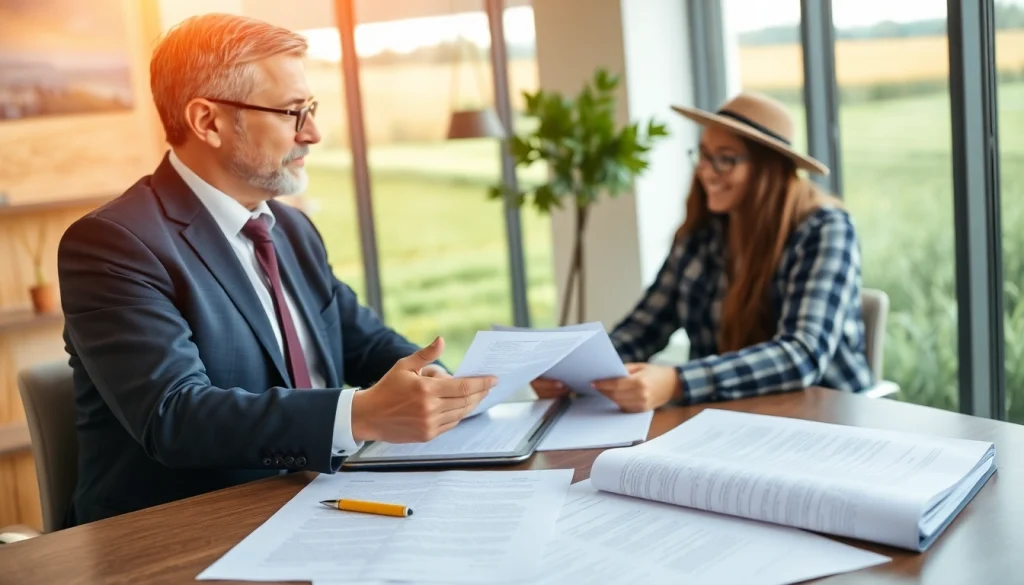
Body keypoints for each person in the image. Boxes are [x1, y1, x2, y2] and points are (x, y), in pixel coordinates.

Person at [57, 13, 496, 527]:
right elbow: (174, 415)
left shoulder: (290, 230)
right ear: (208, 122)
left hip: (320, 505)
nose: (313, 133)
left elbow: (365, 345)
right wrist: (361, 414)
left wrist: (441, 386)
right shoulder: (114, 244)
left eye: (310, 109)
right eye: (292, 112)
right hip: (179, 533)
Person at [534, 92, 873, 411]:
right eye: (704, 154)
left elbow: (801, 356)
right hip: (730, 419)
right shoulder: (702, 233)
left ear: (770, 169)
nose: (705, 170)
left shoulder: (825, 229)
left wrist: (677, 381)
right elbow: (643, 328)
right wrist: (576, 371)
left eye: (725, 159)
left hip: (825, 418)